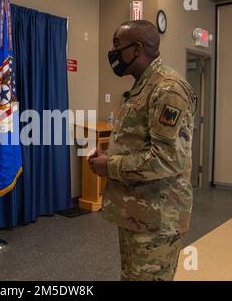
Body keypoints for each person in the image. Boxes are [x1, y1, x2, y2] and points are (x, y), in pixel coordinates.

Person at [88, 20, 197, 281]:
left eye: (117, 46)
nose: (113, 54)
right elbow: (138, 144)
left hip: (157, 218)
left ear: (136, 49)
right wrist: (109, 158)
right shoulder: (142, 86)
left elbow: (167, 160)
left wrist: (110, 166)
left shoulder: (167, 89)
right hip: (137, 213)